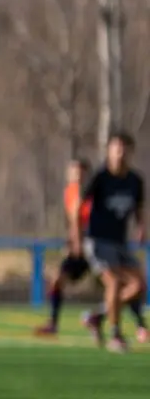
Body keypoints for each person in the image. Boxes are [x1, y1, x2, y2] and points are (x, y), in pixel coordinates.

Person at [71, 133, 148, 352]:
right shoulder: (100, 177)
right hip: (97, 242)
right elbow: (78, 207)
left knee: (138, 286)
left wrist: (142, 227)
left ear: (130, 152)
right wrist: (77, 239)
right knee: (113, 283)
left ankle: (97, 316)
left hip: (120, 243)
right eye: (116, 148)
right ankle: (116, 335)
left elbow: (139, 209)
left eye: (124, 149)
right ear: (109, 151)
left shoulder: (135, 180)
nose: (120, 153)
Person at [35, 159, 102, 336]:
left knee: (114, 284)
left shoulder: (94, 194)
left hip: (95, 244)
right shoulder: (69, 192)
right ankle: (53, 323)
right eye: (73, 172)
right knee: (57, 279)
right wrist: (71, 241)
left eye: (80, 172)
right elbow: (73, 221)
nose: (77, 176)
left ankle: (136, 324)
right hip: (77, 246)